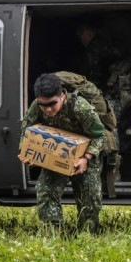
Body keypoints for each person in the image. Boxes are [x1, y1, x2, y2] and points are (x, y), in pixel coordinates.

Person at [19, 72, 106, 232]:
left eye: (52, 103)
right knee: (46, 192)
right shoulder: (36, 106)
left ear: (62, 95)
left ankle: (88, 237)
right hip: (56, 155)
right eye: (43, 105)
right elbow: (26, 127)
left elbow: (100, 136)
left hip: (84, 156)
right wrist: (27, 152)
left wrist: (86, 158)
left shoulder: (80, 107)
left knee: (90, 200)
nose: (48, 109)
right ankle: (52, 235)